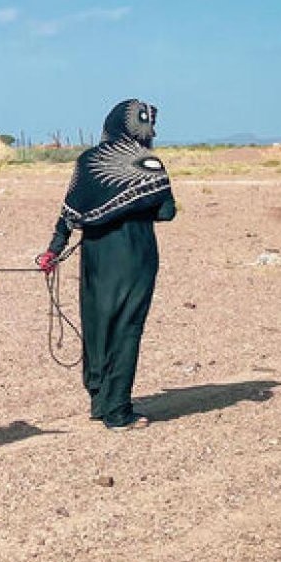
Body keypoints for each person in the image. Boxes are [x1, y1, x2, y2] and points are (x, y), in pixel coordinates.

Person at [38, 99, 176, 430]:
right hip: (136, 257)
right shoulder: (148, 163)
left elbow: (68, 213)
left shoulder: (87, 161)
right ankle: (118, 412)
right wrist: (136, 207)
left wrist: (53, 251)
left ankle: (100, 401)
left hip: (96, 258)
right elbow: (167, 211)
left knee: (97, 325)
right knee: (127, 327)